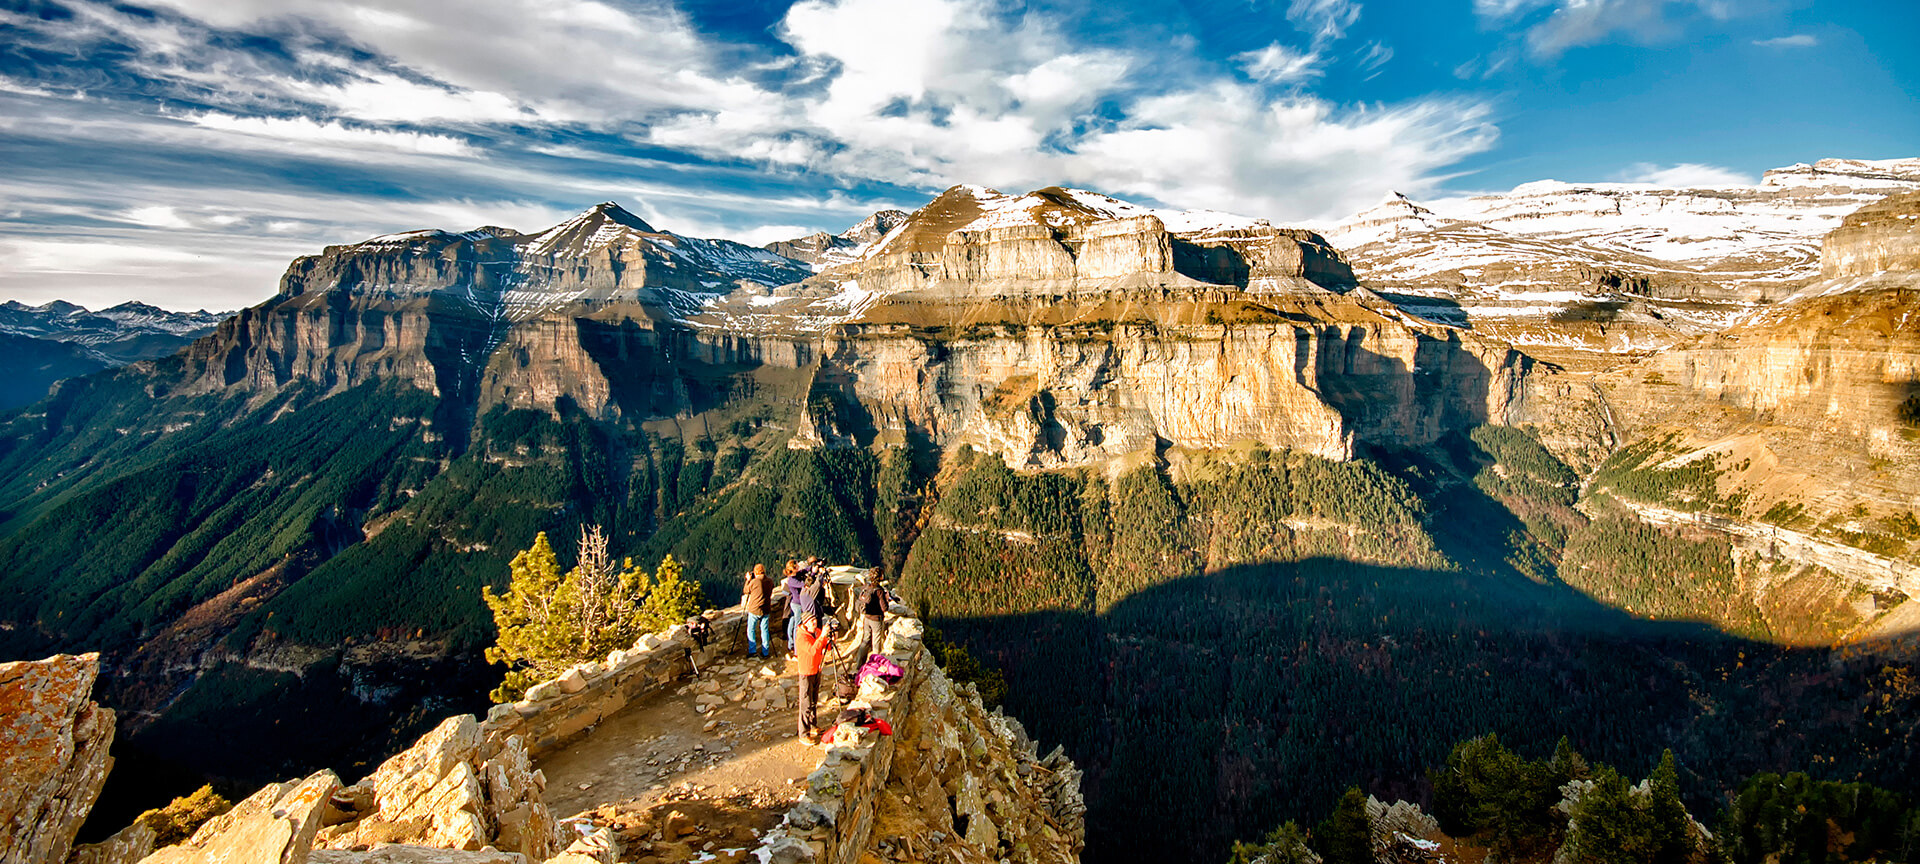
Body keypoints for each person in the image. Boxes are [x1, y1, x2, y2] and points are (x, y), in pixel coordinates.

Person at [794, 613, 835, 744]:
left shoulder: (816, 632)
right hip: (806, 671)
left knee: (813, 700)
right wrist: (822, 636)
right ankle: (803, 733)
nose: (814, 623)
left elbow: (826, 646)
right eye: (811, 621)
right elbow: (812, 651)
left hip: (816, 669)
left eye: (815, 620)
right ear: (805, 623)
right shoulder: (801, 637)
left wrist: (830, 638)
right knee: (805, 702)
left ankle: (812, 725)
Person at [851, 567, 893, 668]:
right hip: (876, 620)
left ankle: (859, 665)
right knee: (876, 643)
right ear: (880, 577)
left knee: (865, 641)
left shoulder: (867, 587)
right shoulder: (879, 591)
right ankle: (876, 665)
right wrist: (888, 600)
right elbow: (884, 608)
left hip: (867, 617)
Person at [741, 563, 773, 658]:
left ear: (755, 572)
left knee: (751, 629)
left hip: (755, 610)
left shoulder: (755, 582)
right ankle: (765, 652)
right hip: (766, 609)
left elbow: (746, 590)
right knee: (765, 630)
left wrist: (748, 580)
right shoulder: (770, 581)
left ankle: (752, 651)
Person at [781, 560, 805, 660]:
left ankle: (790, 644)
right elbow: (803, 584)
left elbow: (803, 572)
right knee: (797, 626)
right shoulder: (792, 580)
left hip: (794, 604)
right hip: (797, 604)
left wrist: (812, 569)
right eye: (797, 566)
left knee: (792, 622)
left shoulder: (793, 576)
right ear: (793, 569)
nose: (799, 567)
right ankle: (796, 650)